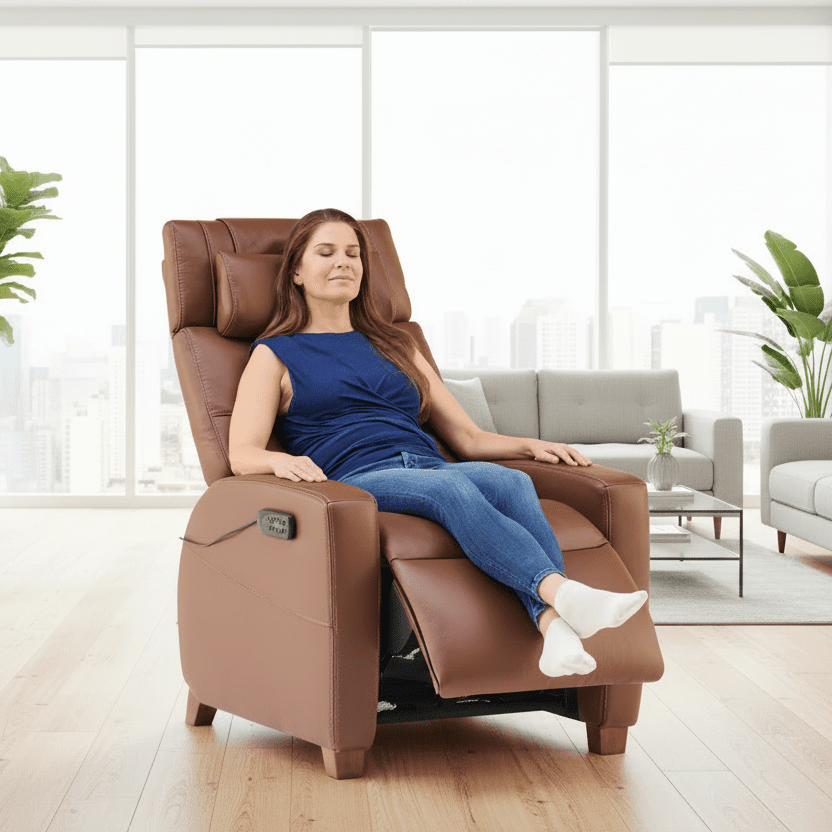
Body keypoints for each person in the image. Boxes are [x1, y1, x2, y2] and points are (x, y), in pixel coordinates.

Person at [229, 208, 647, 678]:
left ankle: (554, 627)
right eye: (326, 253)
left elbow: (467, 438)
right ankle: (564, 594)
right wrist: (280, 463)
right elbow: (242, 453)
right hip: (359, 475)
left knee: (511, 484)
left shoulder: (397, 344)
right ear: (298, 272)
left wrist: (530, 445)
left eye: (353, 253)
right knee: (451, 492)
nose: (343, 262)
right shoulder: (274, 353)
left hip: (428, 463)